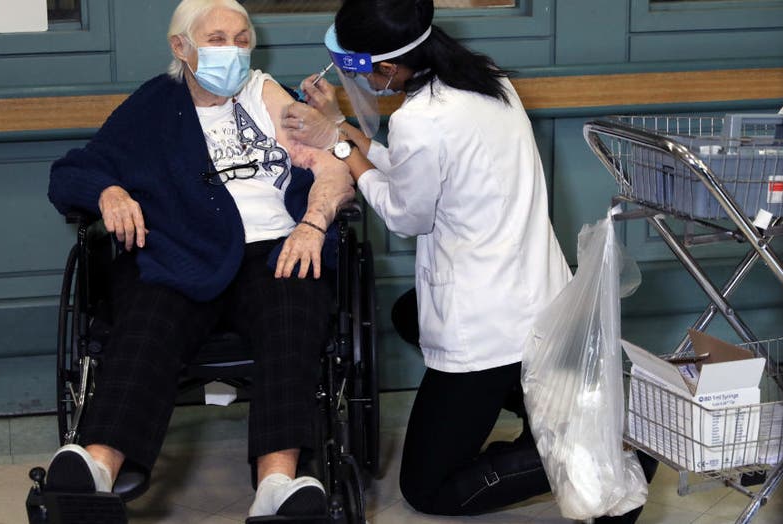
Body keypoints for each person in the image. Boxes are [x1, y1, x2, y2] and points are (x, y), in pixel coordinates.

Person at [282, 0, 657, 520]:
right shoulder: (487, 82)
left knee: (427, 489)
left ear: (388, 68)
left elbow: (405, 213)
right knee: (408, 314)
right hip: (536, 296)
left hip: (486, 324)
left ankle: (608, 453)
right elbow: (414, 169)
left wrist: (340, 148)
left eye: (358, 67)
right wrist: (340, 126)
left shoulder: (422, 120)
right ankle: (555, 414)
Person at [44, 0, 355, 518]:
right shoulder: (152, 108)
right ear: (180, 47)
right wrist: (109, 192)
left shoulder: (264, 92)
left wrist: (312, 224)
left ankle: (277, 486)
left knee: (293, 312)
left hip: (275, 246)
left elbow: (332, 167)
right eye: (217, 39)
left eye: (241, 39)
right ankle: (95, 470)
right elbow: (73, 171)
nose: (231, 51)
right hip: (181, 250)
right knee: (148, 320)